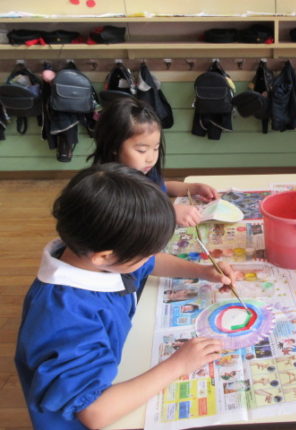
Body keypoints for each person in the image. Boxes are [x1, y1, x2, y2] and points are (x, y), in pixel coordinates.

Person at [15, 163, 236, 430]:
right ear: (105, 257)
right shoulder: (66, 316)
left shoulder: (87, 250)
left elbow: (149, 263)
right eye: (145, 252)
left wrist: (202, 272)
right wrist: (179, 365)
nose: (150, 257)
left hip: (112, 371)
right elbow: (94, 412)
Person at [87, 97, 218, 227]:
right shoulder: (104, 187)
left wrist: (194, 188)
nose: (151, 158)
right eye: (142, 150)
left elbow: (161, 187)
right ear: (114, 146)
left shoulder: (144, 170)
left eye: (156, 148)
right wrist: (169, 213)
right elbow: (126, 219)